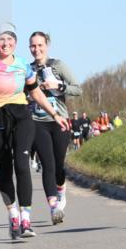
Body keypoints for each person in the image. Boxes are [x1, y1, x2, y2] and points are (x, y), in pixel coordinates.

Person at [0, 23, 70, 239]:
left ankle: (25, 219)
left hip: (21, 116)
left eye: (10, 40)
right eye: (1, 39)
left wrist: (55, 114)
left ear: (15, 42)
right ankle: (13, 214)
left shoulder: (24, 65)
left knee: (22, 165)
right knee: (4, 169)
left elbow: (35, 93)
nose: (6, 44)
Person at [27, 32, 81, 225]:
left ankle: (61, 191)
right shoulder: (27, 70)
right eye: (33, 46)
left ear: (47, 45)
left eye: (40, 45)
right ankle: (54, 207)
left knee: (58, 165)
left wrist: (59, 85)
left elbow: (78, 88)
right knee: (47, 164)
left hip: (60, 121)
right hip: (37, 121)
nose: (36, 49)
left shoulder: (58, 65)